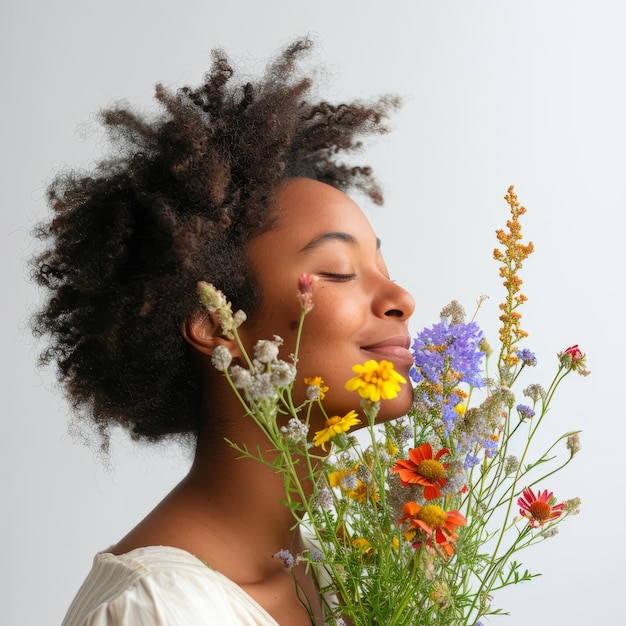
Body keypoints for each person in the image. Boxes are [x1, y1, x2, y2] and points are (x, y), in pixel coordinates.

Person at [31, 38, 415, 625]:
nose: (401, 300)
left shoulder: (342, 576)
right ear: (217, 326)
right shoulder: (158, 609)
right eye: (339, 273)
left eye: (384, 271)